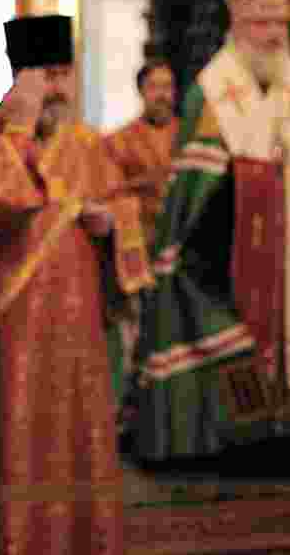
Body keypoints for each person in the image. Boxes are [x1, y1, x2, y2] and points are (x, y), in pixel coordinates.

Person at [130, 0, 290, 466]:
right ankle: (224, 437)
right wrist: (249, 179)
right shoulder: (210, 93)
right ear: (238, 23)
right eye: (261, 23)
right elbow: (193, 192)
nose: (273, 34)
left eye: (280, 22)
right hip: (226, 240)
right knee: (224, 325)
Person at [0, 15, 153, 555]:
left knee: (80, 445)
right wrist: (19, 128)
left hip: (78, 335)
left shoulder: (86, 145)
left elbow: (129, 211)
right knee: (15, 443)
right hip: (8, 337)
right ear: (18, 78)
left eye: (65, 74)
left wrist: (114, 223)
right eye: (45, 75)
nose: (58, 87)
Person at [103, 59, 179, 416]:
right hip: (141, 251)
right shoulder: (119, 142)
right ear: (141, 92)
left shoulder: (188, 136)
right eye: (155, 87)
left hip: (182, 253)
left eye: (168, 86)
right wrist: (142, 187)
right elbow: (109, 190)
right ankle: (137, 412)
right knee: (139, 333)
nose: (162, 95)